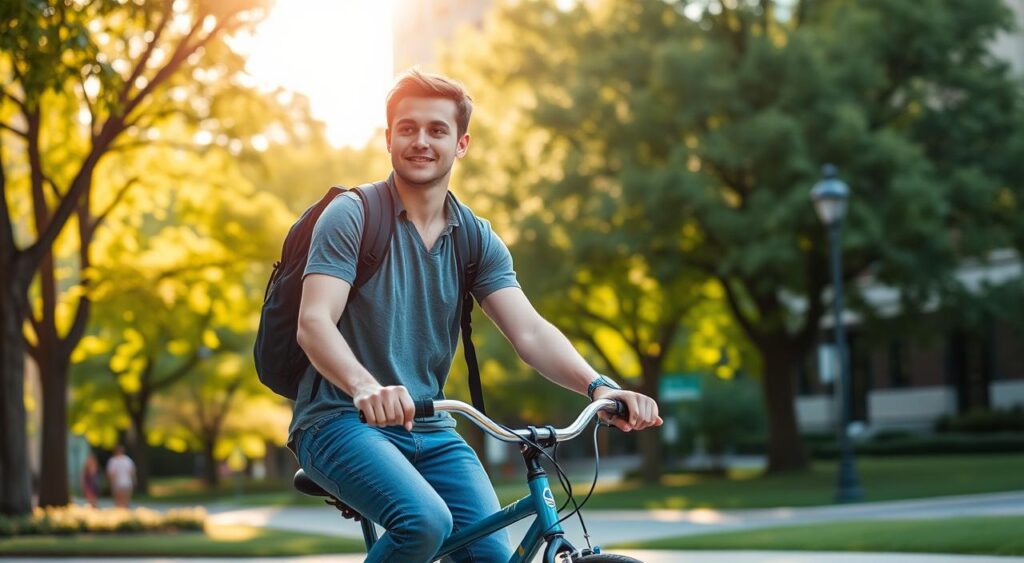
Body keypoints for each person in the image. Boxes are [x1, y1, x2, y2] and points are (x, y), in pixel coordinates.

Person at [291, 69, 662, 563]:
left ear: (461, 144)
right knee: (424, 521)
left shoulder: (474, 238)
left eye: (437, 130)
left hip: (431, 426)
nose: (421, 141)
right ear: (388, 139)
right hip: (338, 420)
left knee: (489, 554)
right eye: (407, 128)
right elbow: (313, 321)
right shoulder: (353, 216)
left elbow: (529, 331)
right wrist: (364, 387)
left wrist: (600, 387)